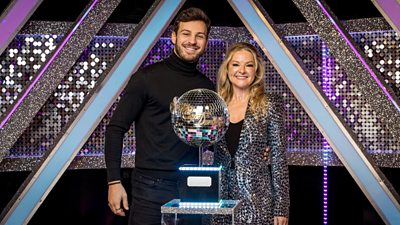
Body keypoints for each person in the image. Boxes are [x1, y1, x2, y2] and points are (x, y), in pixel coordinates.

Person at [104, 7, 214, 225]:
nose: (192, 41)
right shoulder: (146, 78)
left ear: (206, 42)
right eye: (186, 34)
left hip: (191, 186)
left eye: (199, 36)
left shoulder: (206, 87)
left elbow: (209, 139)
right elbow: (115, 129)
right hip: (150, 188)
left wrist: (256, 148)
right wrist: (114, 182)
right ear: (174, 37)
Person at [212, 42, 289, 225]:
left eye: (249, 65)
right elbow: (209, 147)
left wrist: (281, 207)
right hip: (220, 201)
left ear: (256, 71)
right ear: (228, 69)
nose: (242, 70)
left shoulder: (270, 104)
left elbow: (279, 159)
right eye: (236, 64)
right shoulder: (216, 107)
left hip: (257, 201)